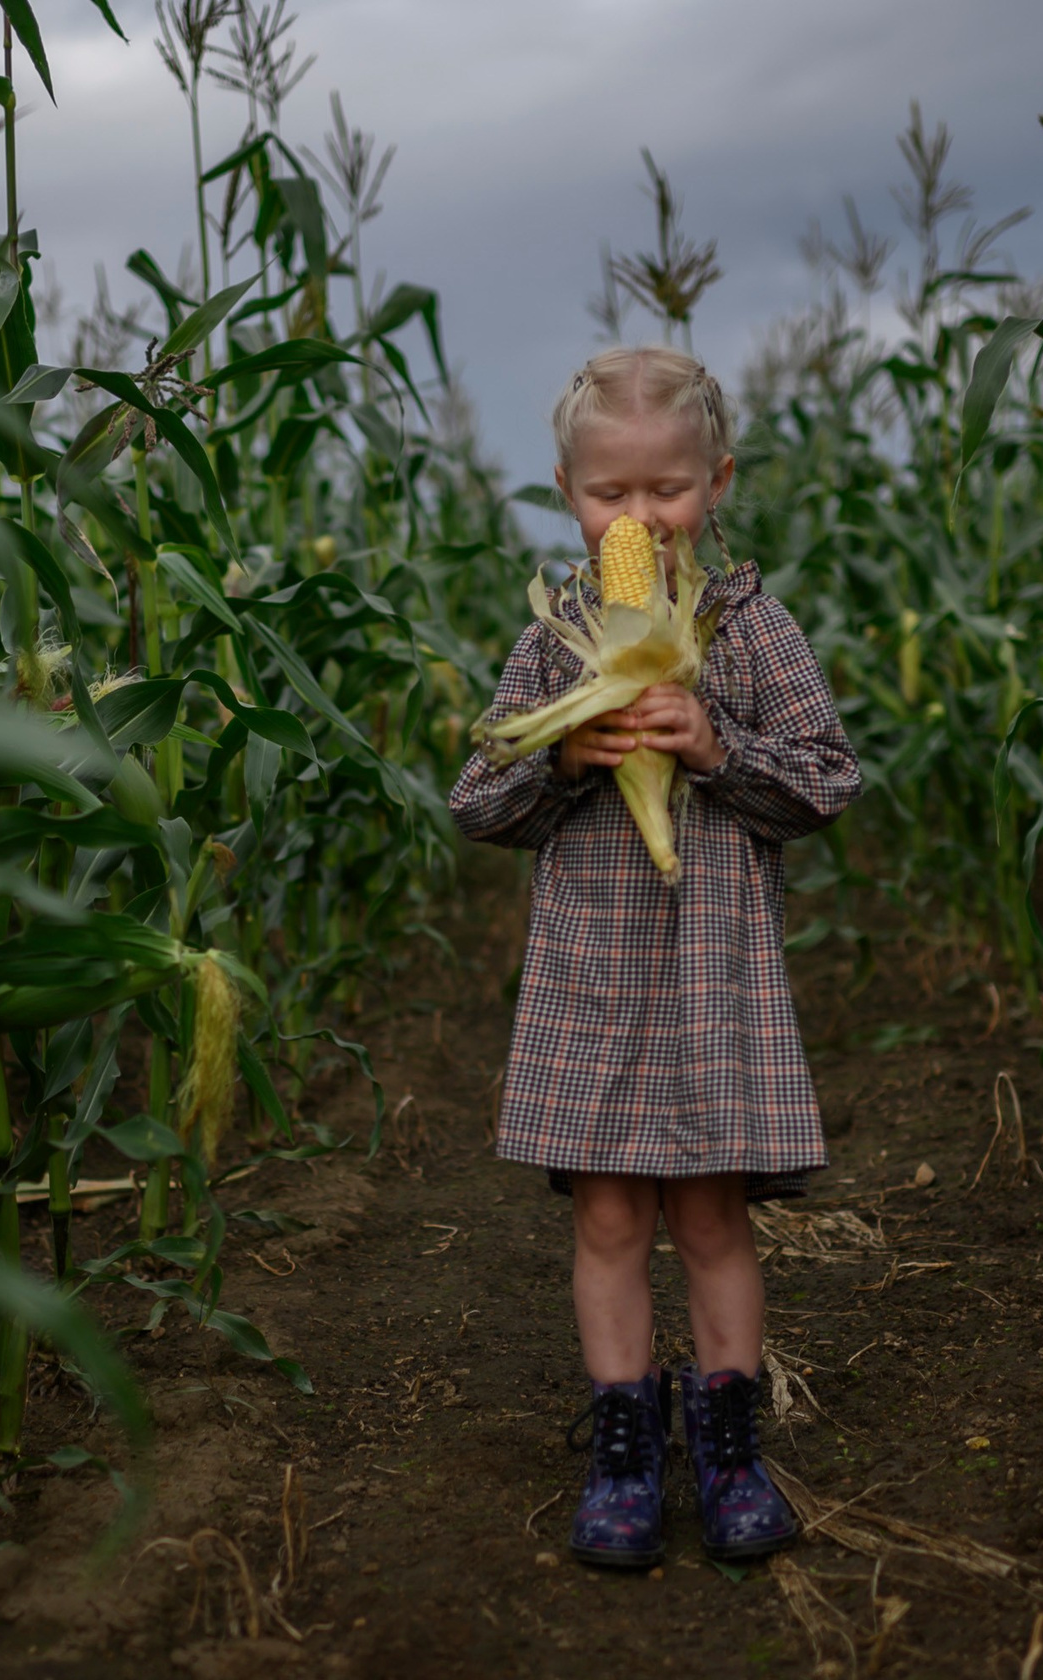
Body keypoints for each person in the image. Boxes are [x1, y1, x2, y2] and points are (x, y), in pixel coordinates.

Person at [448, 347, 862, 1567]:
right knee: (611, 1221)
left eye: (667, 492)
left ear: (717, 482)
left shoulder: (750, 631)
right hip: (593, 984)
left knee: (714, 1219)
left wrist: (713, 742)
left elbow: (827, 780)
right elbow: (476, 800)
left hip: (715, 980)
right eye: (608, 496)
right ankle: (624, 1454)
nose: (639, 519)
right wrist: (563, 757)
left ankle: (731, 1452)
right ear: (568, 493)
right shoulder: (554, 644)